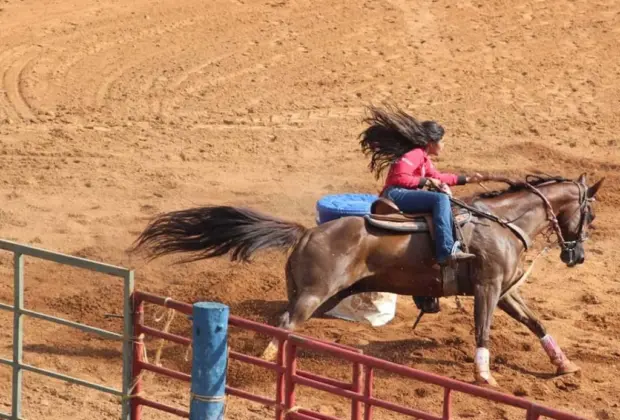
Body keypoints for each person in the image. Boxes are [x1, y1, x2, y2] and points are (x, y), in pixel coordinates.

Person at [359, 105, 484, 313]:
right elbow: (400, 178)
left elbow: (439, 177)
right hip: (395, 194)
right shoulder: (415, 154)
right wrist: (425, 181)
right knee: (439, 201)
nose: (443, 145)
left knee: (440, 198)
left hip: (401, 193)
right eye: (441, 141)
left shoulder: (424, 158)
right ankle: (445, 252)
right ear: (431, 143)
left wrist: (466, 179)